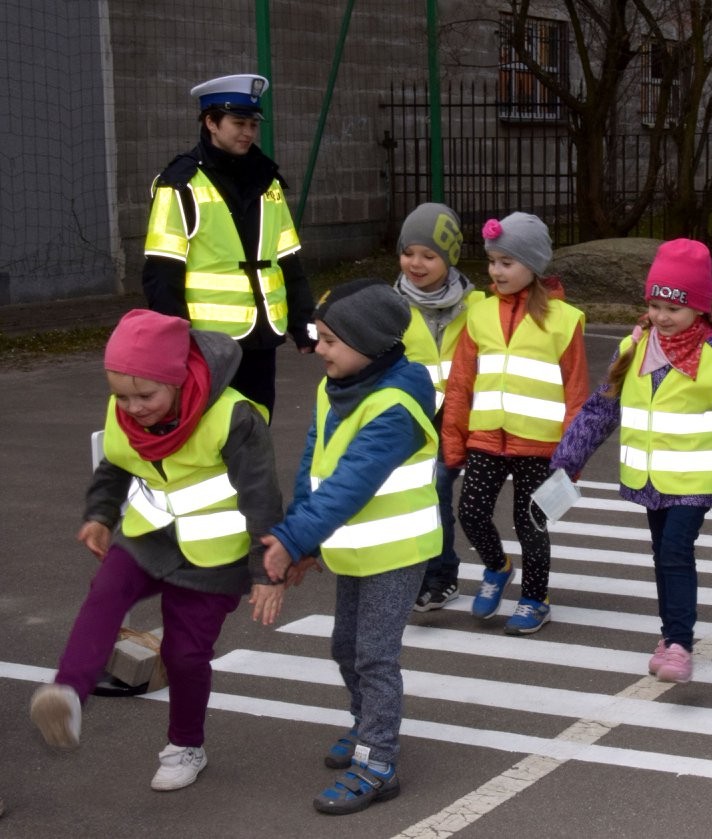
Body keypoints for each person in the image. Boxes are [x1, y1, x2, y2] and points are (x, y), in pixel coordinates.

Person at [29, 310, 285, 791]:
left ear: (179, 379)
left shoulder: (234, 416)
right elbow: (115, 464)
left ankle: (186, 746)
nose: (133, 407)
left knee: (184, 655)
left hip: (214, 556)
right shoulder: (124, 410)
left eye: (145, 396)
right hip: (148, 536)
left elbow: (262, 498)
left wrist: (265, 573)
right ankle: (68, 695)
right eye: (122, 397)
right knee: (105, 594)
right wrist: (100, 515)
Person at [551, 239, 712, 683]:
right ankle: (670, 635)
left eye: (674, 308)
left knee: (674, 552)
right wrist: (568, 459)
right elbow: (600, 410)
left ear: (699, 308)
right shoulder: (634, 348)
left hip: (694, 482)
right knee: (661, 554)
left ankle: (680, 645)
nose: (662, 317)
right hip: (649, 479)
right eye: (655, 305)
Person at [261, 278, 440, 815]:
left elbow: (351, 483)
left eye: (331, 341)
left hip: (398, 551)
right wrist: (306, 541)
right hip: (356, 548)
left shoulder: (396, 406)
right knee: (346, 648)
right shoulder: (334, 387)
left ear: (369, 343)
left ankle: (378, 763)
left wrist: (292, 539)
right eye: (319, 337)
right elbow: (315, 467)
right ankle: (366, 725)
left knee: (375, 657)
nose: (319, 349)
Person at [442, 212, 589, 635]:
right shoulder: (479, 314)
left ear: (533, 265)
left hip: (540, 445)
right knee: (471, 513)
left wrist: (572, 455)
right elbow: (461, 383)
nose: (496, 271)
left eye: (507, 262)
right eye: (492, 261)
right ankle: (497, 567)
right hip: (486, 437)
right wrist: (454, 439)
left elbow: (576, 393)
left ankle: (535, 599)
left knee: (531, 524)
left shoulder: (564, 320)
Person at [141, 74, 315, 417]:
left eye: (253, 124)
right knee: (212, 432)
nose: (248, 132)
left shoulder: (268, 181)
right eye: (238, 123)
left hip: (262, 337)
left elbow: (288, 261)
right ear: (211, 122)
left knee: (257, 425)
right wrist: (175, 343)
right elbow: (162, 274)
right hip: (207, 344)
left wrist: (304, 325)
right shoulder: (179, 184)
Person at [391, 202, 484, 612]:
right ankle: (430, 574)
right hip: (410, 419)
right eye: (408, 252)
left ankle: (442, 576)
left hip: (462, 417)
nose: (416, 263)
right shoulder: (390, 306)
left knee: (438, 490)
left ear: (450, 258)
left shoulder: (477, 306)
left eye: (429, 255)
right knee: (421, 495)